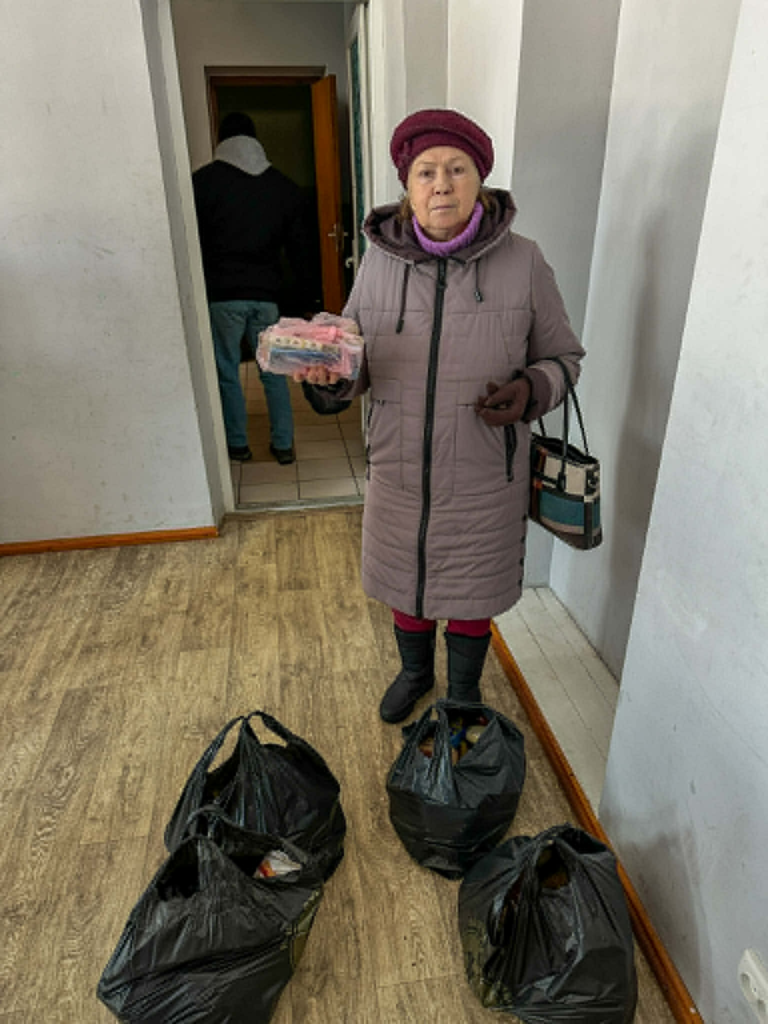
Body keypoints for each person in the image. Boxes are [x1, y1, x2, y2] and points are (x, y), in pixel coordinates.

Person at [298, 108, 585, 722]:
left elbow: (565, 358)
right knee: (406, 578)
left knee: (470, 587)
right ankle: (414, 671)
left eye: (457, 169)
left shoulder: (524, 262)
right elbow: (355, 358)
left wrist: (533, 387)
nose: (441, 184)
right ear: (407, 185)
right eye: (426, 171)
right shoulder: (376, 261)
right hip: (398, 462)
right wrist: (332, 377)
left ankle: (461, 692)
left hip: (484, 467)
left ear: (480, 179)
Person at [192, 111, 316, 464]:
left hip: (221, 297)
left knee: (227, 372)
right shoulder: (283, 187)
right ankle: (282, 444)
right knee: (274, 372)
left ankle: (237, 445)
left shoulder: (202, 184)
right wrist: (306, 298)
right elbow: (299, 250)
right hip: (266, 296)